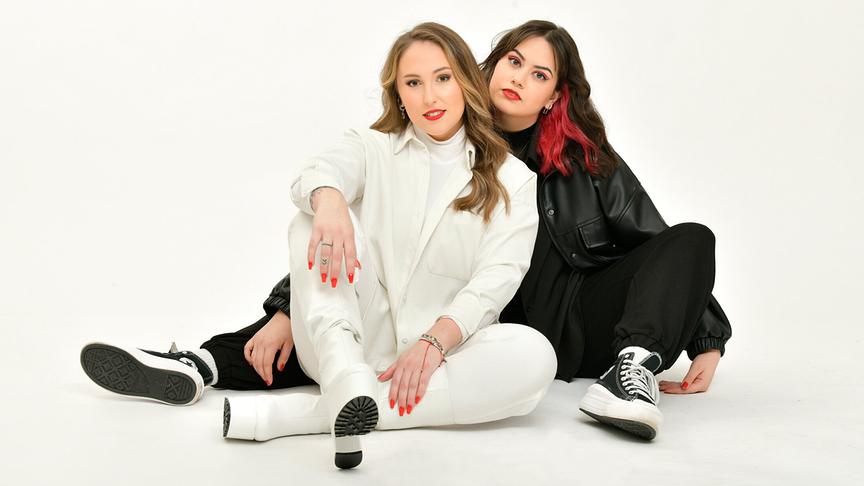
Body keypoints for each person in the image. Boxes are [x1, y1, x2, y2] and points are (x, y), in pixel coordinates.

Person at [80, 22, 556, 469]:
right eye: (413, 83)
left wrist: (434, 342)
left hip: (438, 354)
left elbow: (496, 280)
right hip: (347, 337)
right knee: (310, 217)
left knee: (535, 356)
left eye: (442, 78)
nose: (429, 96)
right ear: (398, 95)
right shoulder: (374, 147)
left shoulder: (513, 180)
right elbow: (318, 171)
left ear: (466, 82)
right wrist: (329, 202)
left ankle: (303, 415)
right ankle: (343, 376)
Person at [242, 19, 732, 441]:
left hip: (579, 316)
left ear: (553, 97)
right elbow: (374, 233)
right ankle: (233, 369)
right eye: (514, 62)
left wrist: (705, 337)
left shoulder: (583, 156)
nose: (519, 78)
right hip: (491, 324)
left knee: (694, 236)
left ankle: (631, 372)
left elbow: (659, 243)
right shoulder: (439, 130)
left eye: (539, 74)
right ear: (491, 65)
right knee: (313, 295)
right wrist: (288, 306)